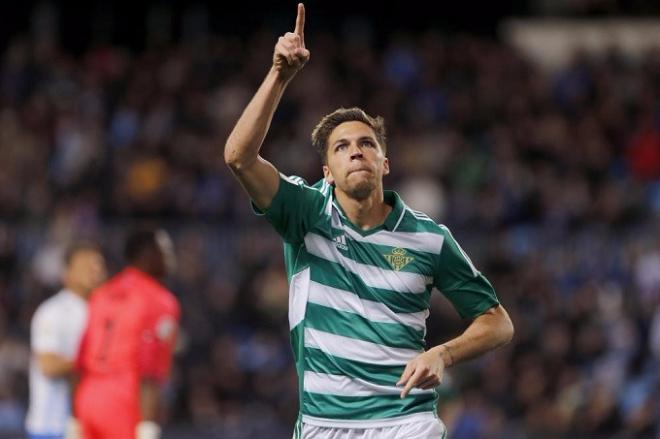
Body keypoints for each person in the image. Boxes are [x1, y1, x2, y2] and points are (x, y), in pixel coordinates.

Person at [224, 4, 515, 438]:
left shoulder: (429, 239)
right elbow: (238, 157)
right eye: (340, 147)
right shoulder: (307, 213)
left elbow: (497, 322)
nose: (355, 151)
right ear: (326, 171)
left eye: (365, 144)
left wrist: (443, 354)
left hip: (405, 421)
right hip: (325, 424)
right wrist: (279, 76)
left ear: (385, 162)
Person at [73, 229, 180, 439]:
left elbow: (81, 358)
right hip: (126, 400)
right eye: (165, 251)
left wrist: (75, 417)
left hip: (89, 396)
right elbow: (150, 367)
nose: (170, 258)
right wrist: (148, 425)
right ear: (147, 255)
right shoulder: (160, 300)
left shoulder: (102, 293)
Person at [26, 242, 106, 439]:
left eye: (98, 265)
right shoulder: (53, 312)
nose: (93, 271)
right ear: (67, 273)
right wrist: (97, 361)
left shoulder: (108, 312)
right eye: (86, 265)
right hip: (52, 425)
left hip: (94, 425)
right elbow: (49, 365)